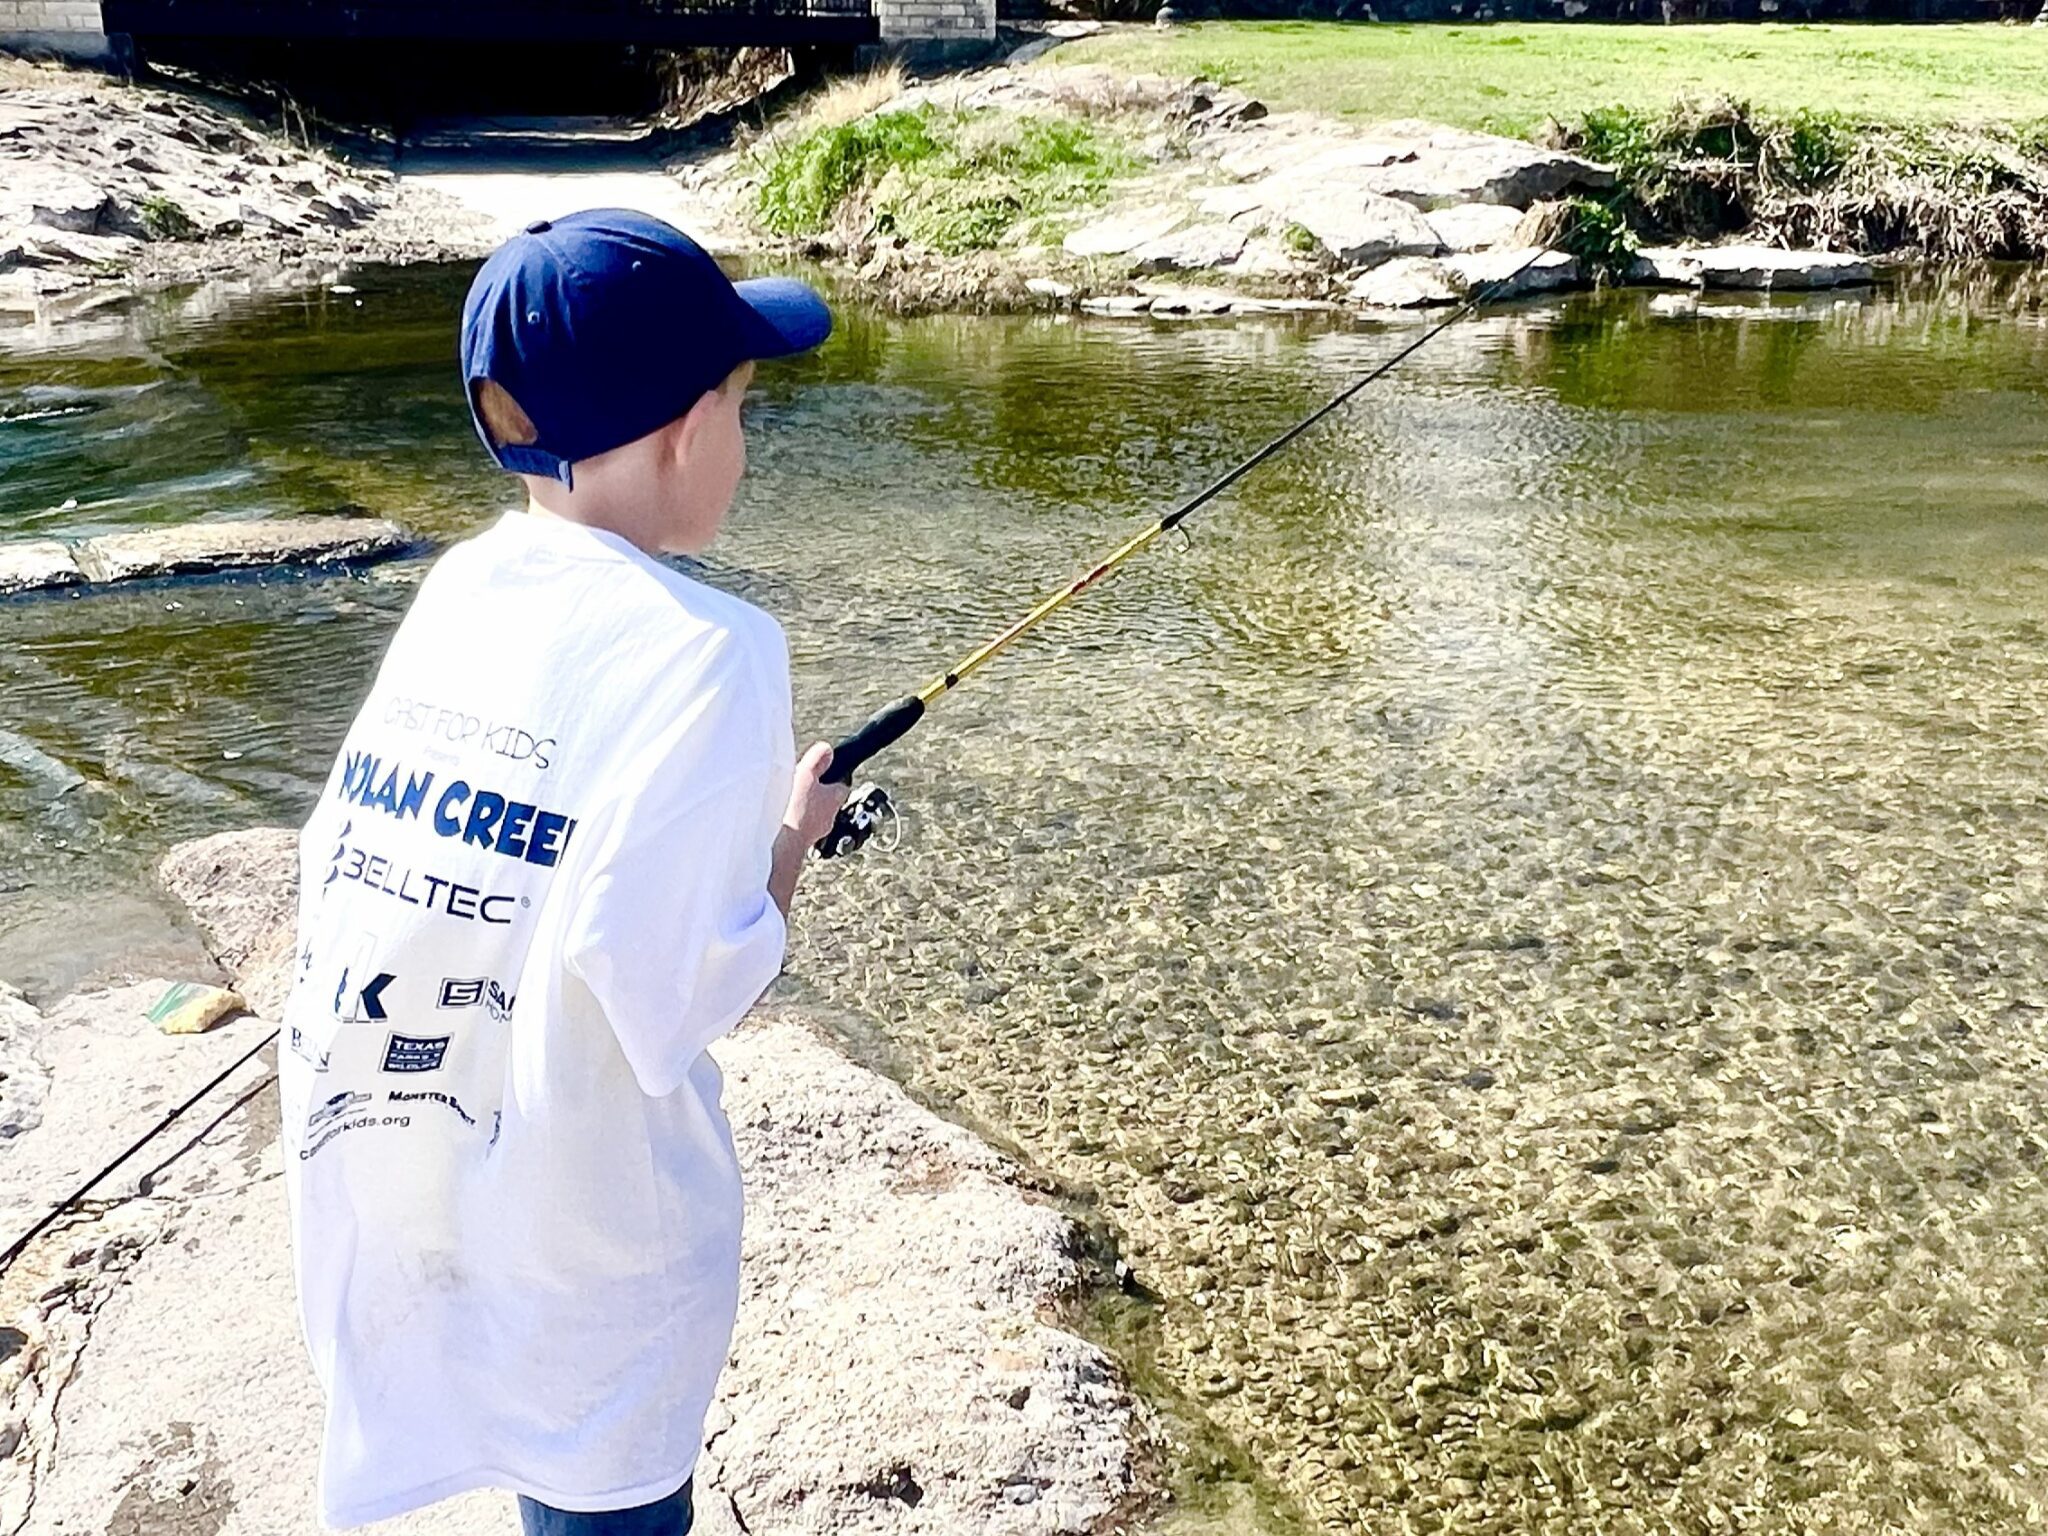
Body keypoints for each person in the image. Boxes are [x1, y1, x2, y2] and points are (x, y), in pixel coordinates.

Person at [276, 208, 848, 1535]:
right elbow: (679, 992)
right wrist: (790, 846)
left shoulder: (465, 587)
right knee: (606, 1504)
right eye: (743, 406)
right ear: (688, 431)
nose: (743, 443)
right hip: (590, 1246)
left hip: (413, 1189)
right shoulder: (716, 647)